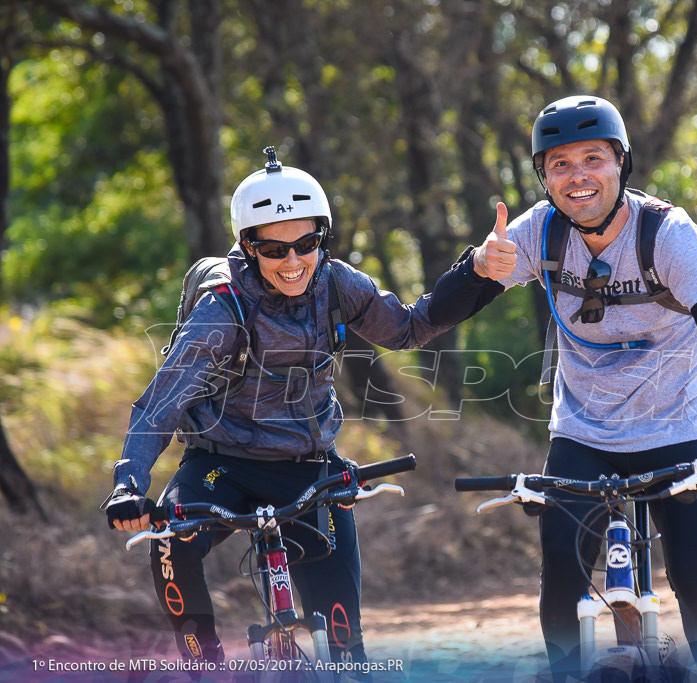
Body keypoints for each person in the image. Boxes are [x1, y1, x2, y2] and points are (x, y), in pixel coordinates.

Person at [102, 147, 497, 666]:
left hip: (310, 470)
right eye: (273, 250)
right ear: (247, 246)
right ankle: (205, 665)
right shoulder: (221, 310)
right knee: (171, 546)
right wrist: (128, 484)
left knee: (347, 657)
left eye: (307, 244)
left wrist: (480, 272)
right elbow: (160, 406)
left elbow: (408, 327)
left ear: (322, 238)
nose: (293, 262)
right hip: (222, 466)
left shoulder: (337, 284)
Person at [437, 95, 697, 678]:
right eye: (559, 165)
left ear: (622, 164)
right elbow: (451, 304)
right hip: (584, 434)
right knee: (561, 580)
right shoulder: (540, 230)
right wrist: (476, 266)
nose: (578, 177)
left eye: (593, 159)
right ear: (543, 177)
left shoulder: (666, 233)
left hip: (677, 428)